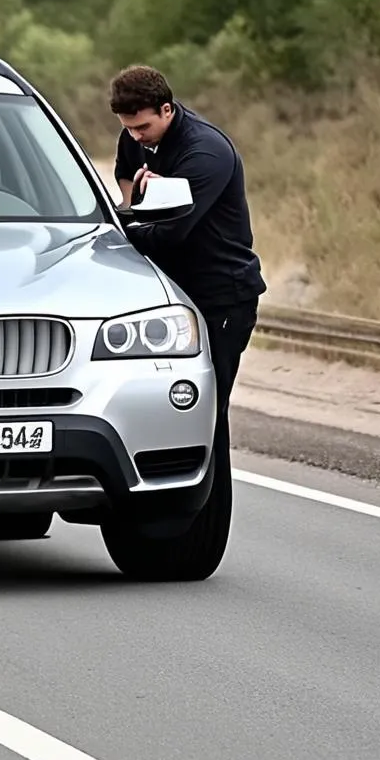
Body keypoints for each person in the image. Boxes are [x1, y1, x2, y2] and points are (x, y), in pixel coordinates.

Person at [108, 64, 267, 484]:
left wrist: (129, 221)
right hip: (174, 295)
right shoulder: (134, 136)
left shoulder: (205, 152)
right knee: (168, 406)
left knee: (209, 411)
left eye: (143, 127)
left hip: (221, 294)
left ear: (166, 109)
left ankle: (208, 510)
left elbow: (171, 231)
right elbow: (127, 188)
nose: (137, 136)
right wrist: (135, 202)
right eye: (129, 128)